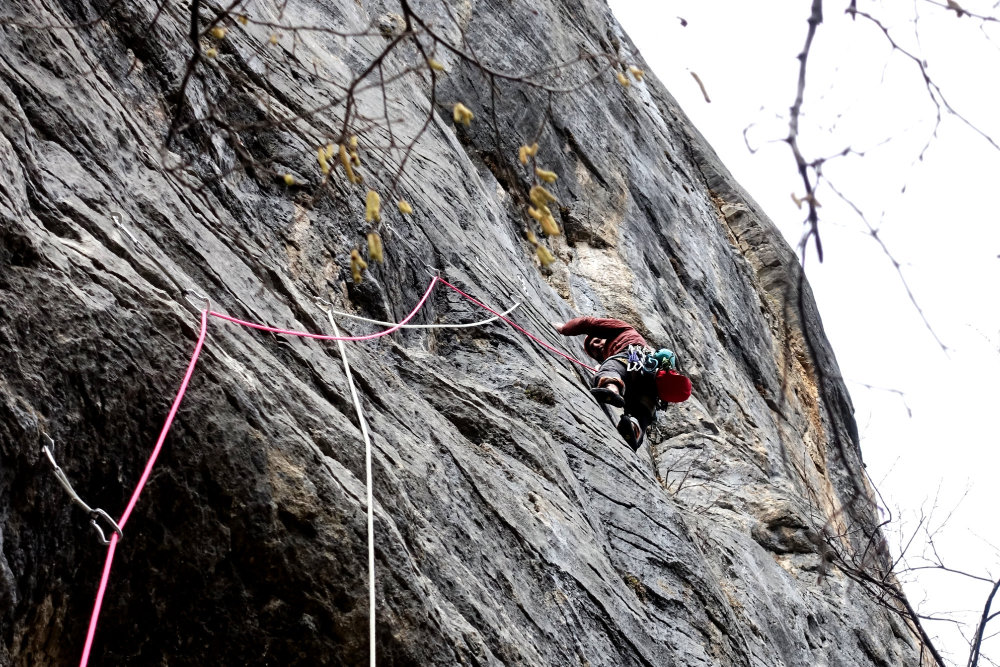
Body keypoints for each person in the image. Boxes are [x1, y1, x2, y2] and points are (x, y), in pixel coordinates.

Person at [552, 316, 691, 451]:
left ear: (604, 334)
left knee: (611, 368)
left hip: (632, 357)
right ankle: (634, 430)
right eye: (593, 349)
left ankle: (611, 389)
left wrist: (563, 329)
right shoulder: (614, 356)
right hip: (648, 384)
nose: (596, 345)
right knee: (642, 410)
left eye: (597, 340)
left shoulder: (623, 331)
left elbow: (587, 323)